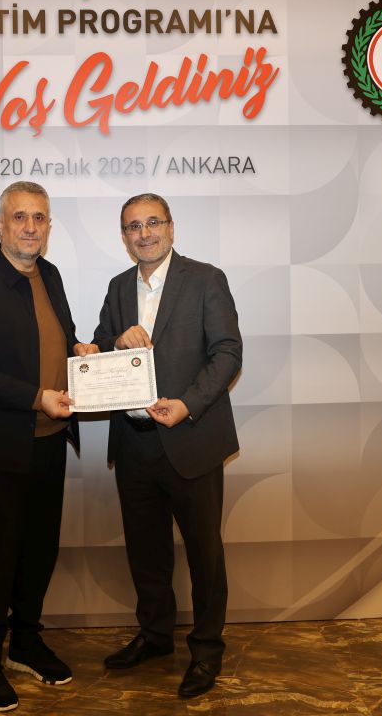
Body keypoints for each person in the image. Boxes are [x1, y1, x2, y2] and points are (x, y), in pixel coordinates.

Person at [0, 181, 96, 712]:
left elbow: (54, 340)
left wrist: (79, 351)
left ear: (48, 227)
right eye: (20, 216)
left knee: (39, 550)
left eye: (39, 217)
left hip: (49, 441)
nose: (30, 226)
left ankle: (25, 643)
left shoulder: (50, 275)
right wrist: (35, 397)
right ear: (1, 224)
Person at [91, 193, 243, 698]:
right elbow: (100, 345)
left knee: (204, 556)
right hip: (134, 445)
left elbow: (228, 353)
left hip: (191, 439)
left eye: (153, 222)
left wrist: (188, 405)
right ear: (124, 236)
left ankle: (206, 650)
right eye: (134, 226)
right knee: (147, 554)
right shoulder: (118, 287)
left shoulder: (206, 279)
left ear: (171, 227)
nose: (145, 233)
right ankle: (155, 637)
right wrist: (111, 343)